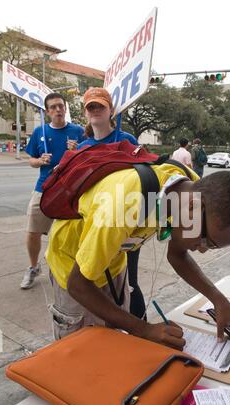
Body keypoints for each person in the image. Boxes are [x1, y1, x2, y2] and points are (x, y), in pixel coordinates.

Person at [46, 166, 230, 351]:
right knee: (81, 353)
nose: (202, 250)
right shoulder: (122, 205)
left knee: (114, 342)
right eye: (207, 241)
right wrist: (144, 329)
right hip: (71, 266)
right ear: (193, 207)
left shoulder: (190, 188)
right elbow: (78, 284)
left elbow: (178, 255)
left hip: (111, 264)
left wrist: (219, 301)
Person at [77, 87, 145, 320]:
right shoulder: (81, 148)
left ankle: (140, 329)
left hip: (124, 223)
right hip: (93, 226)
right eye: (90, 107)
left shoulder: (126, 141)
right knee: (96, 280)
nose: (95, 110)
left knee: (128, 281)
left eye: (100, 106)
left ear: (111, 111)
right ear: (85, 113)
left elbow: (142, 179)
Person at [20, 93, 85, 290]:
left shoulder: (79, 131)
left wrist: (78, 150)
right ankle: (33, 267)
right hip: (43, 188)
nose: (58, 109)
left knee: (72, 234)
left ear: (65, 108)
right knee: (33, 232)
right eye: (53, 107)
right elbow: (31, 159)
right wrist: (40, 161)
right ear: (47, 112)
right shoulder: (40, 131)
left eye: (60, 106)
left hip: (70, 190)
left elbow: (89, 156)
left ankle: (74, 270)